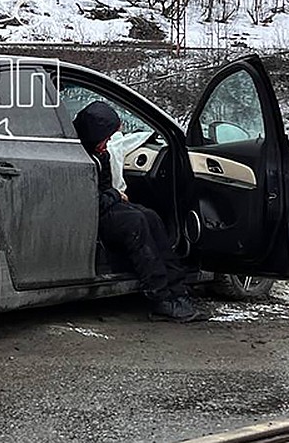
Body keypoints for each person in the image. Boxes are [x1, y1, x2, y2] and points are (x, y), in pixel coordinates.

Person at [73, 100, 200, 322]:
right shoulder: (80, 158)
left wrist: (113, 194)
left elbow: (103, 189)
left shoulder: (99, 153)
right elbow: (88, 200)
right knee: (136, 223)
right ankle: (160, 297)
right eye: (106, 138)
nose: (108, 143)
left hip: (106, 204)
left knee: (150, 216)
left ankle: (178, 290)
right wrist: (114, 195)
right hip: (91, 214)